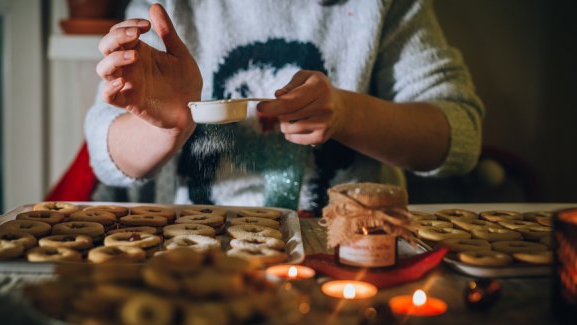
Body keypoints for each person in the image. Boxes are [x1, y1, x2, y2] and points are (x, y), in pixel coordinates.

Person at [84, 0, 484, 215]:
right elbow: (106, 151)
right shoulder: (169, 7)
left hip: (352, 252)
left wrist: (347, 114)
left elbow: (459, 137)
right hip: (199, 256)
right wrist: (166, 127)